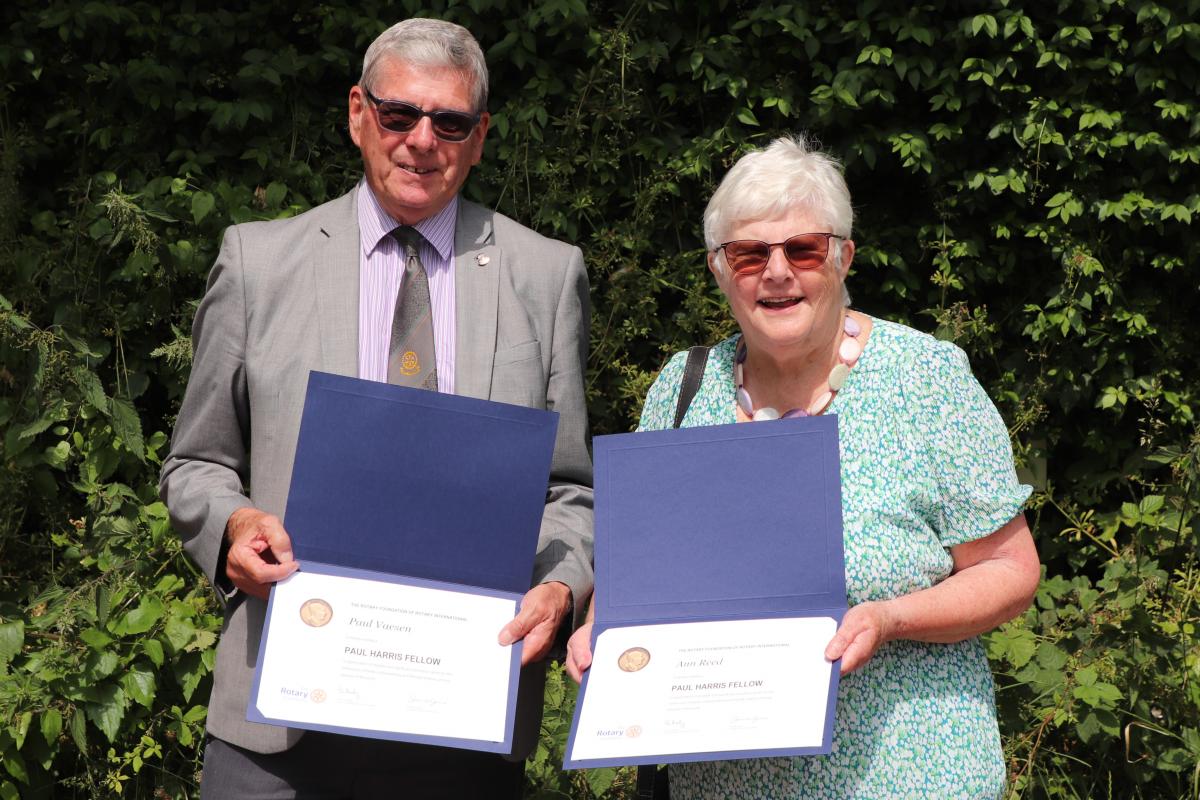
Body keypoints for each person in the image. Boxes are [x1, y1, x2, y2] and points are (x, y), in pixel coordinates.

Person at [160, 18, 593, 799]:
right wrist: (233, 524)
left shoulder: (546, 276)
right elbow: (198, 462)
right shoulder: (259, 263)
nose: (421, 140)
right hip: (277, 730)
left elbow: (569, 491)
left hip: (465, 720)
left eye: (449, 121)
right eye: (399, 114)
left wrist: (560, 588)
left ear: (480, 135)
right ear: (358, 112)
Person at [565, 136, 1039, 799]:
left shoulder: (926, 378)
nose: (778, 271)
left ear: (843, 257)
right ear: (719, 269)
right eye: (750, 253)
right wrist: (600, 631)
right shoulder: (683, 387)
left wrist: (888, 618)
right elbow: (642, 563)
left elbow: (1010, 570)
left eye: (804, 250)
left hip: (908, 778)